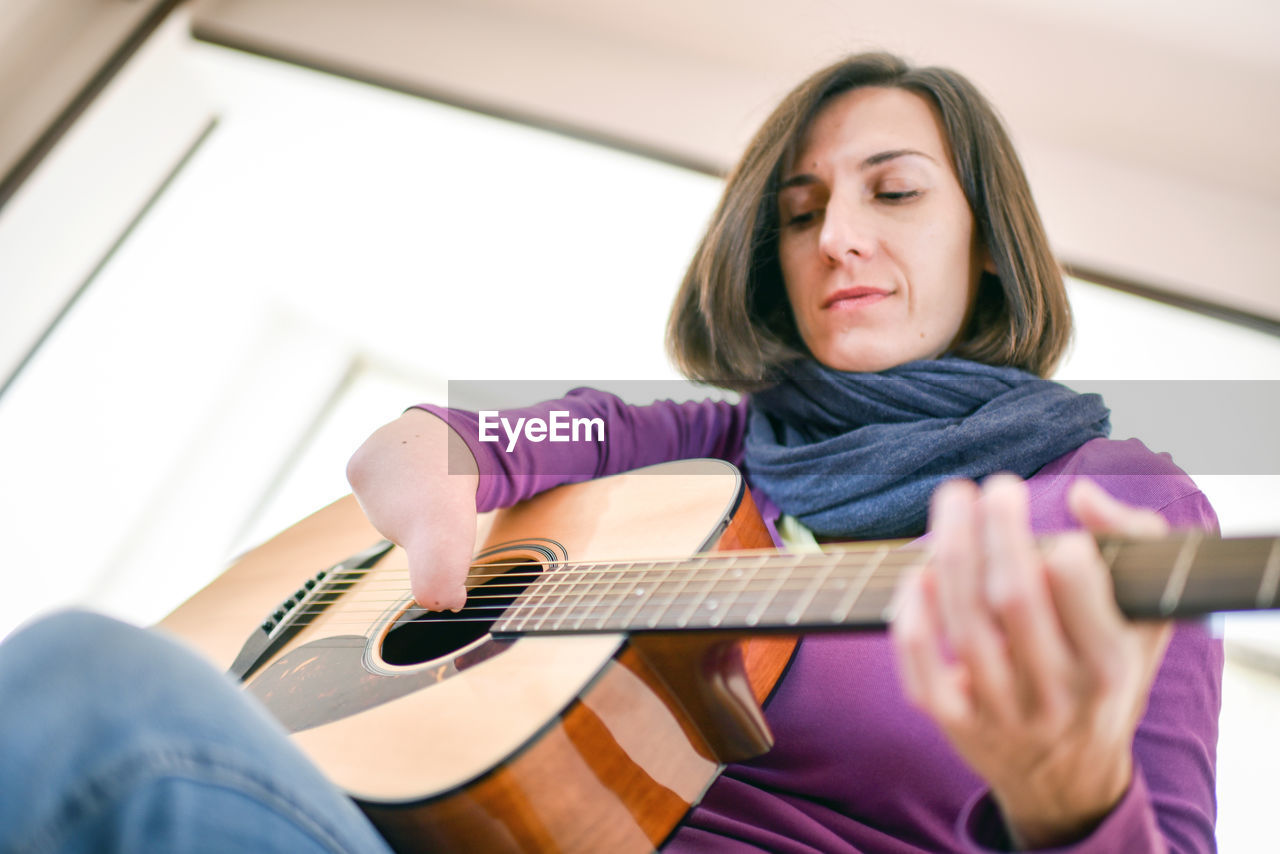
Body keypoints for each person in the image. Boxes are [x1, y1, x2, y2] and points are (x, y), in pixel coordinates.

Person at [0, 52, 1219, 854]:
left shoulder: (1112, 500)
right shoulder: (709, 441)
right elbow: (481, 439)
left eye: (892, 193)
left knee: (87, 695)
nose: (837, 236)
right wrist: (435, 453)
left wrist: (1072, 793)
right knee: (80, 683)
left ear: (991, 244)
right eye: (797, 213)